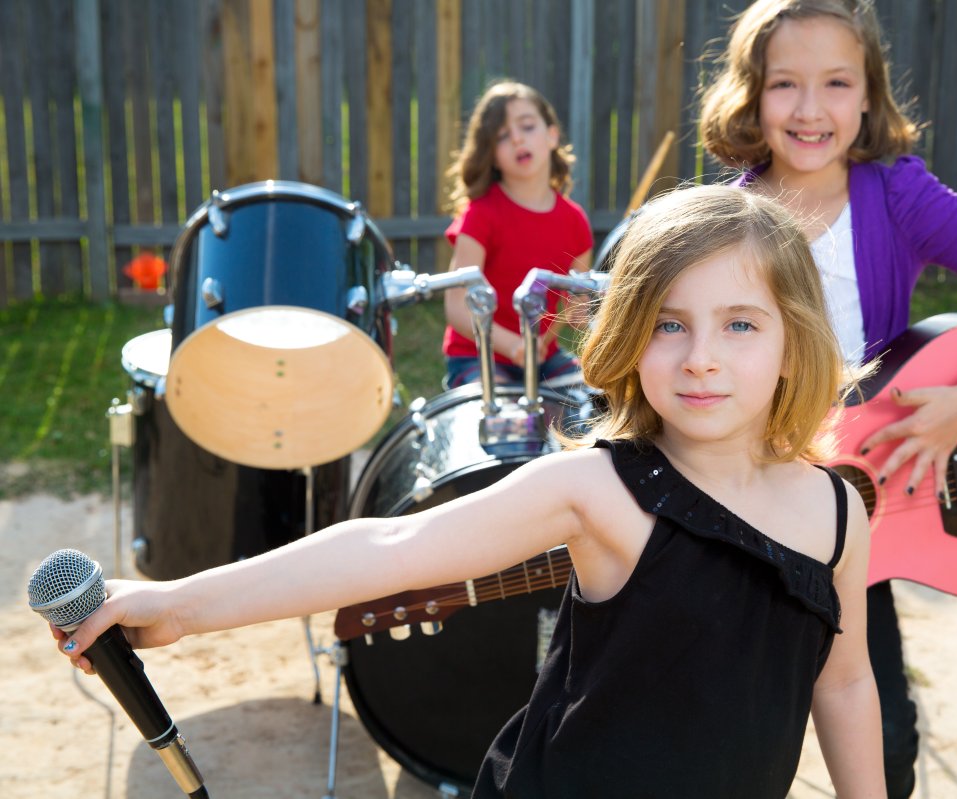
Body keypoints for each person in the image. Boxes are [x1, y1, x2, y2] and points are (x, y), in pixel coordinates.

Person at [53, 184, 886, 799]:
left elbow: (843, 682)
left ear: (793, 342)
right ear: (631, 337)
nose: (701, 355)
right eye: (669, 322)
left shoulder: (836, 513)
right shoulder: (598, 489)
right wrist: (180, 603)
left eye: (739, 323)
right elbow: (390, 545)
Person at [699, 2, 957, 796]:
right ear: (750, 94)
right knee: (732, 731)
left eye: (836, 83)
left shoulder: (898, 195)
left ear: (869, 94)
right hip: (748, 507)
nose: (810, 109)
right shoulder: (722, 223)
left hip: (853, 517)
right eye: (784, 84)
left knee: (882, 741)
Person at [441, 80, 593, 389]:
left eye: (527, 126)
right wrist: (512, 346)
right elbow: (457, 307)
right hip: (479, 353)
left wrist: (582, 310)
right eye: (502, 136)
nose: (517, 139)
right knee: (503, 414)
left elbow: (577, 309)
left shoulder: (575, 221)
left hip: (543, 356)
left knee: (593, 400)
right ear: (492, 155)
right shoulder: (480, 215)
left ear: (552, 136)